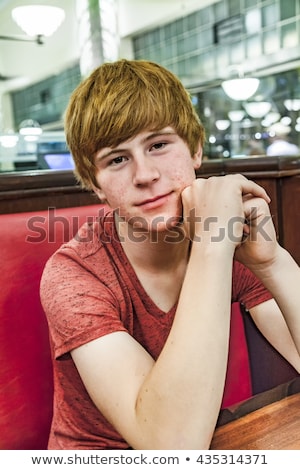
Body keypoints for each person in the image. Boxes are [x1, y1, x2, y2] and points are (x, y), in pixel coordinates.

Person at [40, 59, 300, 450]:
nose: (145, 175)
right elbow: (172, 448)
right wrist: (213, 246)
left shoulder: (230, 244)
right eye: (117, 159)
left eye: (159, 145)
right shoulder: (74, 274)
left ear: (195, 149)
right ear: (96, 184)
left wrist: (272, 262)